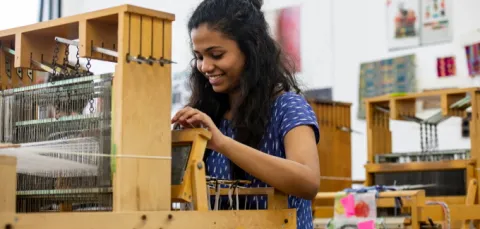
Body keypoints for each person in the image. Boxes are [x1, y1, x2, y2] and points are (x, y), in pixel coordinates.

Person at [171, 0, 320, 228]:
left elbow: (308, 182)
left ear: (251, 50)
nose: (205, 67)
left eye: (217, 55)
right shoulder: (210, 114)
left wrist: (221, 143)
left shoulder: (287, 107)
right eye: (200, 57)